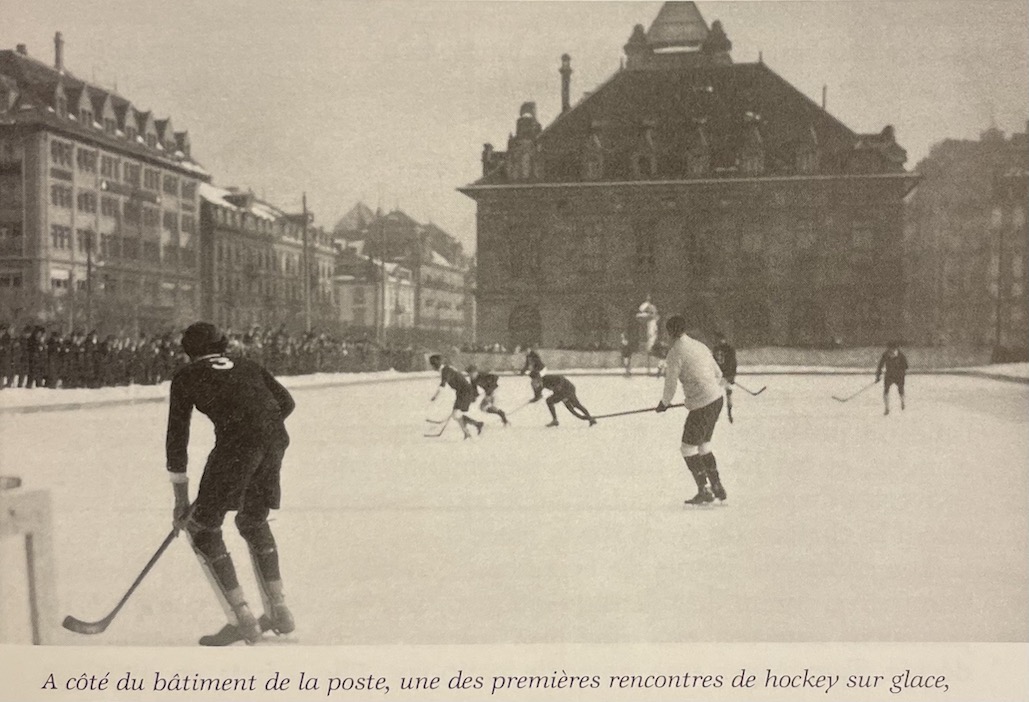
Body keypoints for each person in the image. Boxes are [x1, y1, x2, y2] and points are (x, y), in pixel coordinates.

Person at [166, 322, 296, 646]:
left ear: (188, 351)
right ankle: (279, 610)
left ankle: (241, 619)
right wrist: (258, 426)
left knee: (202, 528)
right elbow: (286, 402)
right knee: (253, 520)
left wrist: (181, 499)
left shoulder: (186, 376)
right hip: (275, 440)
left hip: (238, 447)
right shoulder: (247, 364)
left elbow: (177, 439)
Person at [656, 315, 728, 505]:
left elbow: (670, 384)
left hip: (702, 404)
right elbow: (718, 374)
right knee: (703, 445)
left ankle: (704, 490)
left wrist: (664, 403)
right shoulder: (700, 345)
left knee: (688, 448)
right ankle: (717, 486)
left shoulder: (675, 353)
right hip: (716, 400)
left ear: (670, 332)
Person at [429, 354, 483, 439]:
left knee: (456, 414)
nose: (432, 367)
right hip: (461, 392)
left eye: (432, 365)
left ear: (435, 364)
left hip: (465, 391)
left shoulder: (445, 370)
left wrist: (435, 396)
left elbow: (443, 384)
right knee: (455, 415)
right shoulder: (446, 369)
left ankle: (475, 426)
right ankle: (469, 430)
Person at [529, 371, 597, 427]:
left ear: (539, 377)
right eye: (534, 380)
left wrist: (561, 389)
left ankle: (590, 418)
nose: (536, 381)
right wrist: (534, 399)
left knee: (575, 404)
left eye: (537, 379)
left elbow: (561, 378)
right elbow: (538, 396)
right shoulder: (537, 384)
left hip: (568, 388)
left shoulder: (548, 378)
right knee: (550, 401)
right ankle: (555, 420)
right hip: (559, 393)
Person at [875, 341, 908, 416]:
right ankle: (887, 408)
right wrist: (878, 376)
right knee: (886, 390)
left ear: (896, 348)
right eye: (889, 349)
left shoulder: (901, 355)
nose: (891, 351)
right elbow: (880, 365)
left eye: (892, 349)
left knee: (901, 390)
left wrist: (901, 374)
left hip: (899, 375)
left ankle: (902, 402)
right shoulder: (885, 354)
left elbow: (905, 366)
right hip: (889, 375)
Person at [711, 332, 738, 423]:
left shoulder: (726, 349)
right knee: (720, 395)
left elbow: (733, 363)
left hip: (725, 375)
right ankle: (718, 414)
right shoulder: (721, 348)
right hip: (721, 376)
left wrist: (732, 375)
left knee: (726, 394)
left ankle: (729, 413)